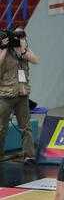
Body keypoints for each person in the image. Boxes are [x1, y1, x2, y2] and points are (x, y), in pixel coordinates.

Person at [0, 26, 39, 165]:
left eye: (22, 35)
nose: (19, 38)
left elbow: (36, 60)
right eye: (17, 35)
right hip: (6, 94)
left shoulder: (24, 52)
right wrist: (5, 48)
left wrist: (22, 50)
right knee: (1, 127)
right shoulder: (4, 51)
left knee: (26, 127)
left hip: (22, 94)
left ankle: (29, 156)